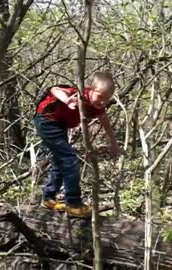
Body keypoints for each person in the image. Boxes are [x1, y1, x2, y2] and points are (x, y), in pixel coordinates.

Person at [34, 71, 121, 218]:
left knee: (60, 160)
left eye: (107, 99)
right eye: (100, 96)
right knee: (69, 159)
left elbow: (106, 124)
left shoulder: (99, 107)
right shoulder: (79, 94)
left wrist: (113, 143)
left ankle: (49, 198)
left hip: (59, 124)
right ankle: (73, 204)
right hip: (46, 120)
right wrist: (67, 100)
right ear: (90, 90)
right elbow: (54, 89)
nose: (102, 102)